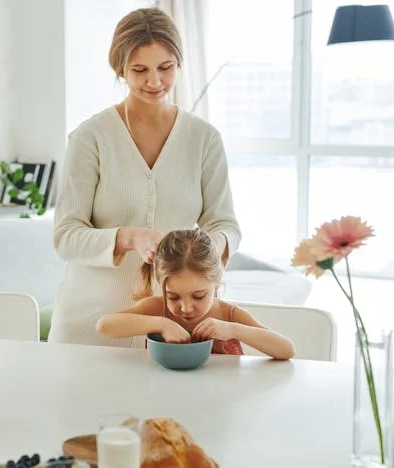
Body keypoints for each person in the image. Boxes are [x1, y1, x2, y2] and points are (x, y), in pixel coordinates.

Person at [50, 7, 241, 347]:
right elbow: (66, 236)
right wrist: (128, 238)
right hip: (88, 323)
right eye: (140, 70)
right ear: (120, 68)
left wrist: (210, 246)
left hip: (170, 326)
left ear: (179, 64)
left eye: (166, 67)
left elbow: (225, 224)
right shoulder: (90, 137)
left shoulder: (203, 139)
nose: (154, 81)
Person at [95, 229, 295, 360]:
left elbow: (286, 350)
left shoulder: (228, 314)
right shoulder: (158, 309)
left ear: (216, 282)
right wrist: (162, 324)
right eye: (173, 296)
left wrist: (233, 330)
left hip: (222, 399)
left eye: (198, 296)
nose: (186, 308)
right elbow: (104, 325)